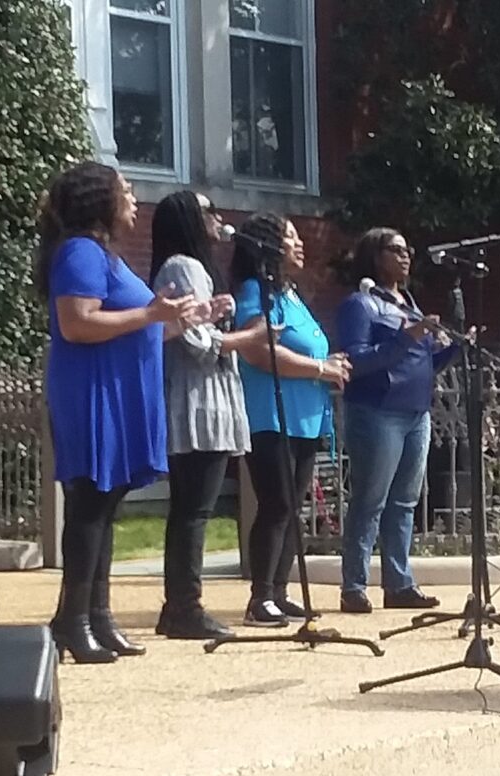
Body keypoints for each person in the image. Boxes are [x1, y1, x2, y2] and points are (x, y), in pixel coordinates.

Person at [36, 161, 199, 663]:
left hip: (117, 390)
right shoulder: (80, 251)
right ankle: (73, 621)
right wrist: (151, 313)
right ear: (98, 201)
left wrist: (181, 319)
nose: (132, 199)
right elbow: (78, 323)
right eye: (124, 190)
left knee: (104, 508)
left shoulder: (105, 254)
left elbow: (136, 326)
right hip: (92, 393)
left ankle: (98, 617)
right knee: (89, 506)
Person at [149, 191, 268, 639]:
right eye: (207, 211)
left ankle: (180, 605)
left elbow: (200, 330)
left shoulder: (193, 268)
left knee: (192, 508)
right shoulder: (183, 266)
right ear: (188, 220)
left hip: (207, 399)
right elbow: (198, 345)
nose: (217, 218)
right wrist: (252, 337)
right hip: (198, 402)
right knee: (193, 510)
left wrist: (219, 314)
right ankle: (184, 606)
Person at [232, 212, 351, 627]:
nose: (300, 244)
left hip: (305, 417)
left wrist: (329, 363)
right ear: (268, 244)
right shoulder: (256, 290)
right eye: (291, 237)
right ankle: (260, 597)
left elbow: (305, 346)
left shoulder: (291, 294)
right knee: (276, 504)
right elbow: (257, 350)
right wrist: (320, 368)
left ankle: (279, 592)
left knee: (291, 507)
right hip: (271, 415)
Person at [336, 227, 459, 614]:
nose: (406, 256)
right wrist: (408, 337)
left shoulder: (408, 305)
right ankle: (354, 587)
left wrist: (455, 347)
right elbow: (356, 361)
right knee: (370, 500)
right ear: (375, 255)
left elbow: (423, 362)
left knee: (405, 502)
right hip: (377, 412)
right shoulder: (361, 304)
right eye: (397, 250)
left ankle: (400, 584)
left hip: (416, 413)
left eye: (409, 250)